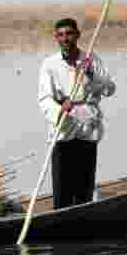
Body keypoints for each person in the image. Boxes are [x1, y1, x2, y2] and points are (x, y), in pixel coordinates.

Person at [38, 17, 116, 209]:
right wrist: (60, 109)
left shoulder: (91, 59)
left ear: (78, 35)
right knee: (62, 188)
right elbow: (44, 99)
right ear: (56, 38)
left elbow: (109, 89)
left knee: (84, 185)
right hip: (63, 129)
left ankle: (84, 216)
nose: (65, 38)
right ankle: (61, 223)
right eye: (61, 35)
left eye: (69, 34)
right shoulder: (49, 64)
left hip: (87, 127)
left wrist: (91, 73)